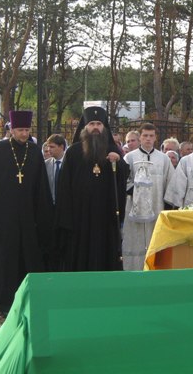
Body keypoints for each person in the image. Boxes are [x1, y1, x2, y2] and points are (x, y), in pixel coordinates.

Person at [0, 110, 53, 315]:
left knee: (27, 256)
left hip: (28, 217)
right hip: (3, 217)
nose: (24, 134)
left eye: (27, 130)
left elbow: (41, 186)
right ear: (12, 130)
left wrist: (43, 215)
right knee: (5, 258)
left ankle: (28, 298)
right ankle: (4, 299)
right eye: (20, 130)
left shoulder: (34, 151)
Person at [54, 106, 128, 271]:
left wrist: (118, 163)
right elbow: (64, 186)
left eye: (99, 124)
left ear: (104, 127)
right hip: (79, 217)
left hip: (105, 216)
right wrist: (66, 219)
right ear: (85, 127)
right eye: (92, 124)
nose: (95, 127)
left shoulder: (112, 151)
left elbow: (124, 177)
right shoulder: (73, 152)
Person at [122, 123, 173, 270]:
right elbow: (123, 181)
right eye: (145, 135)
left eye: (151, 136)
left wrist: (167, 204)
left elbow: (171, 182)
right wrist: (136, 191)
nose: (148, 139)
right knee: (135, 240)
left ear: (156, 138)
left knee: (155, 240)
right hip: (135, 208)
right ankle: (134, 270)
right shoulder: (129, 157)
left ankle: (155, 271)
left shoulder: (163, 159)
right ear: (140, 137)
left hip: (157, 207)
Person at [44, 134, 66, 205]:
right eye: (48, 146)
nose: (48, 149)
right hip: (50, 204)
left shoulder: (70, 163)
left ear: (61, 147)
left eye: (52, 147)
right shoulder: (46, 164)